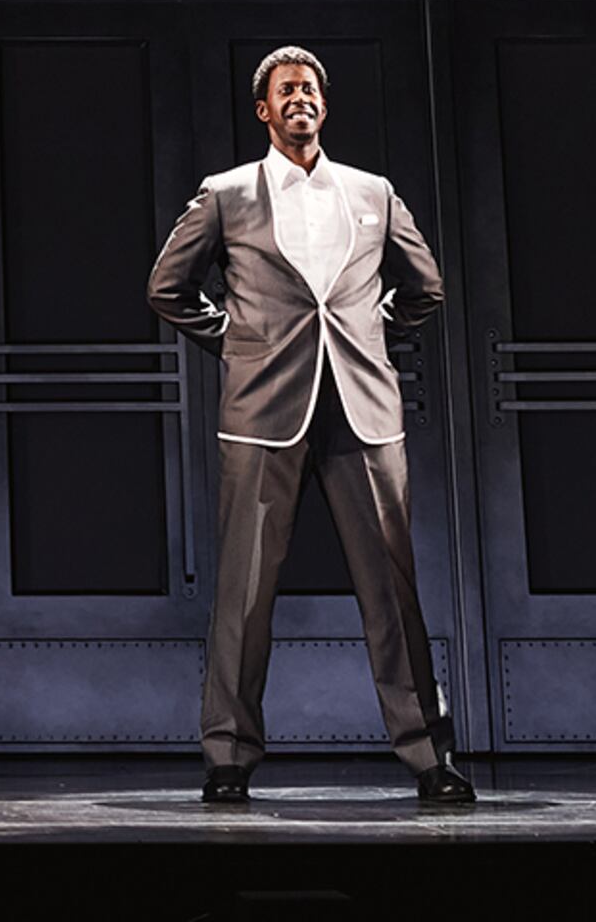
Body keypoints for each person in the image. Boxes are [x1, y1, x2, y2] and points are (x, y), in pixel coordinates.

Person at [148, 46, 476, 808]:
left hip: (363, 410)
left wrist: (368, 329)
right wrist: (237, 339)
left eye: (310, 90)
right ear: (264, 111)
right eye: (285, 90)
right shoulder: (226, 193)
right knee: (244, 591)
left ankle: (431, 754)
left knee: (392, 589)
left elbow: (424, 288)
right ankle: (227, 755)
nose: (300, 97)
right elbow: (167, 288)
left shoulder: (373, 192)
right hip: (265, 413)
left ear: (322, 108)